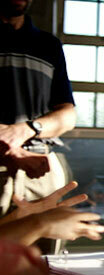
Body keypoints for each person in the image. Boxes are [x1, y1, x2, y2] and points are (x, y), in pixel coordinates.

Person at [0, 0, 76, 214]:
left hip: (42, 172)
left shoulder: (48, 45)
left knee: (46, 248)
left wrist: (24, 129)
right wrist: (12, 151)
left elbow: (68, 115)